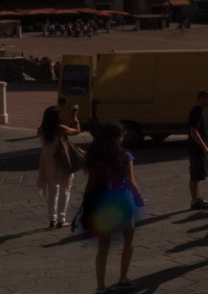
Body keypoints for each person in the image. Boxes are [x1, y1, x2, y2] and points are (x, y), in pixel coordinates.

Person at [79, 123, 143, 292]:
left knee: (103, 246)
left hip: (100, 204)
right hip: (120, 203)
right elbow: (130, 183)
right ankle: (123, 278)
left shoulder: (94, 154)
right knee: (129, 237)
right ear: (118, 137)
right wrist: (138, 198)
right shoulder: (125, 155)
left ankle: (101, 287)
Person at [36, 104, 82, 228]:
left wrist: (70, 117)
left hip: (47, 160)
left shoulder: (42, 129)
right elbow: (76, 131)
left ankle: (53, 219)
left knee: (52, 190)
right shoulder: (59, 129)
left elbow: (63, 127)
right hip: (62, 160)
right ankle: (61, 219)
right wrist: (75, 118)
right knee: (65, 189)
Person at [187, 88, 208, 210]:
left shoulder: (200, 111)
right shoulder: (196, 112)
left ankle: (198, 199)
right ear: (201, 98)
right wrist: (203, 146)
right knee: (195, 175)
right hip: (197, 149)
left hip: (199, 149)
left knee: (198, 175)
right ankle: (194, 201)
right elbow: (193, 132)